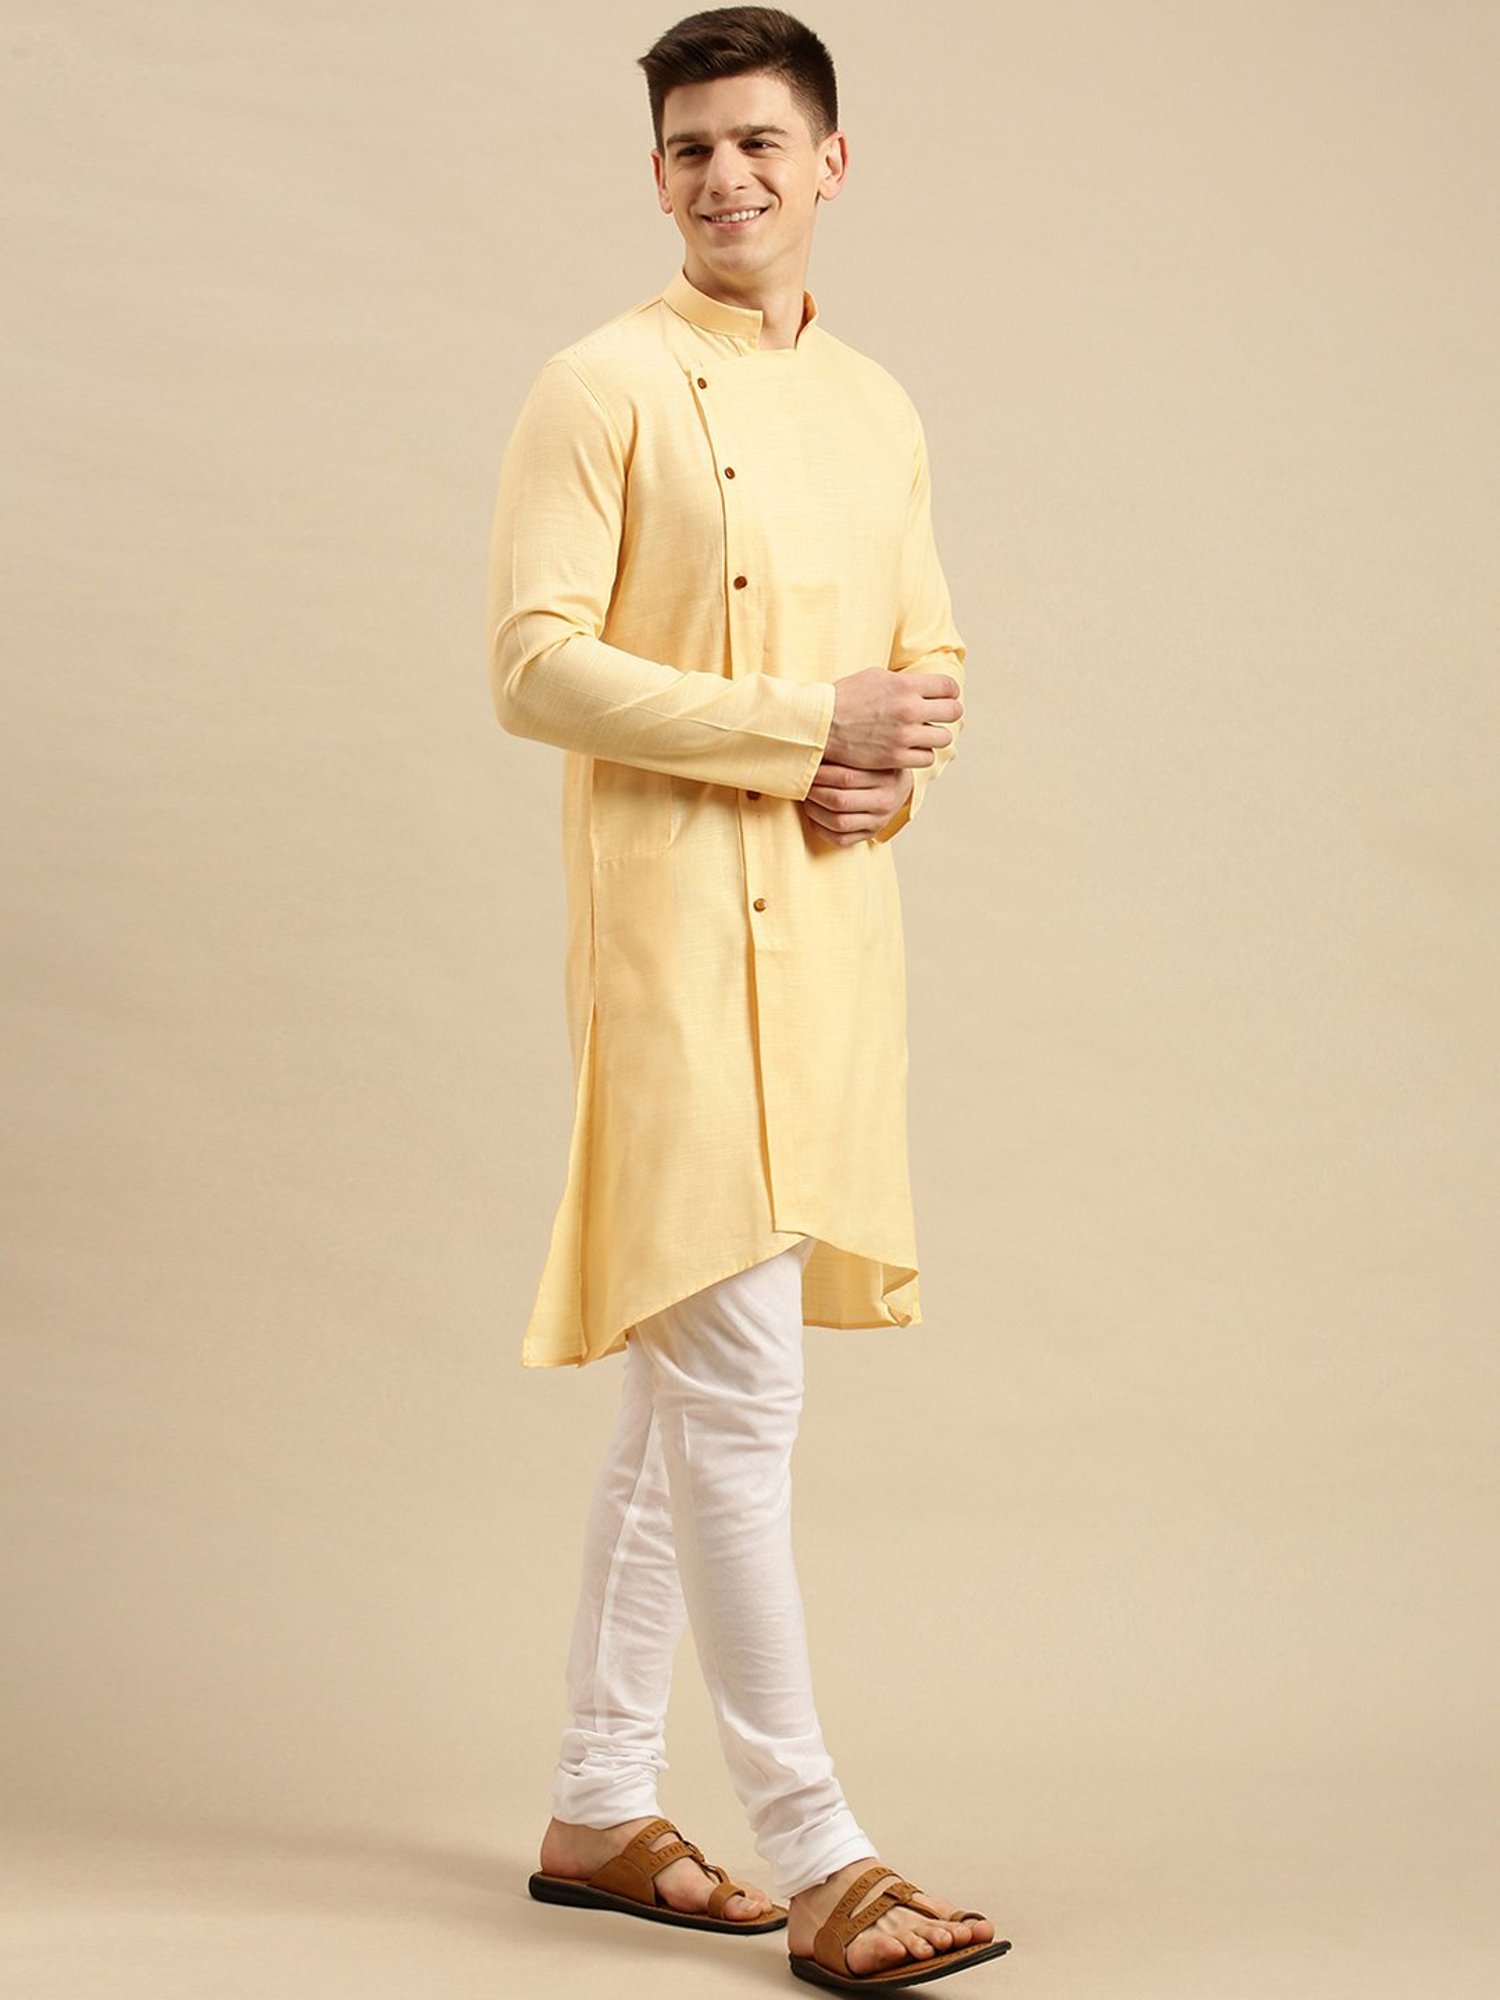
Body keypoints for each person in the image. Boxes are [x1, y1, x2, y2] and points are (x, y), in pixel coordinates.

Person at [484, 8, 1008, 1987]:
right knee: (741, 1395)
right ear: (658, 176)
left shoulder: (878, 405)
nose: (728, 177)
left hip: (836, 945)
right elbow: (533, 662)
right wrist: (805, 726)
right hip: (675, 948)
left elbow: (928, 649)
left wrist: (890, 766)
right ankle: (820, 1848)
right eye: (693, 148)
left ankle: (599, 1804)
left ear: (830, 163)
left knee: (686, 1400)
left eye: (762, 143)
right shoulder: (601, 385)